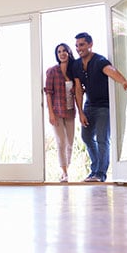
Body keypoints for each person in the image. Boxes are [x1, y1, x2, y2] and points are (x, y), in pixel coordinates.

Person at [72, 32, 127, 182]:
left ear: (90, 44)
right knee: (86, 137)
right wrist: (80, 112)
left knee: (102, 139)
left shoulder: (99, 60)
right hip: (89, 106)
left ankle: (100, 174)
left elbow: (111, 71)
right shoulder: (76, 65)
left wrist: (124, 82)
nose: (78, 48)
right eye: (76, 46)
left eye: (81, 45)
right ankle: (94, 169)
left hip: (104, 107)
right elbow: (77, 90)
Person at [45, 43, 76, 182]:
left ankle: (66, 168)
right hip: (57, 111)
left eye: (64, 51)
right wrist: (51, 113)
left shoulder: (74, 71)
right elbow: (48, 93)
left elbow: (80, 91)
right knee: (61, 142)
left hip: (70, 111)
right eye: (59, 52)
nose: (62, 53)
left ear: (69, 53)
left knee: (70, 142)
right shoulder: (52, 71)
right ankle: (64, 173)